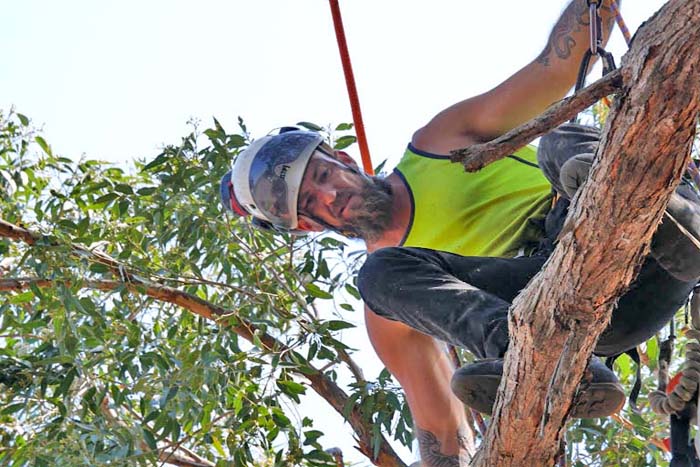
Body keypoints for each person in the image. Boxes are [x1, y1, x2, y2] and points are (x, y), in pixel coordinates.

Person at [219, 1, 700, 464]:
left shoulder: (439, 144)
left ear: (341, 159)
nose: (328, 196)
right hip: (591, 307)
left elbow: (554, 70)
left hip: (629, 217)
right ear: (306, 226)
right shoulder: (395, 298)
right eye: (309, 204)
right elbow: (444, 434)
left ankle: (674, 221)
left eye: (323, 176)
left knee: (559, 142)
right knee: (378, 274)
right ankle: (528, 357)